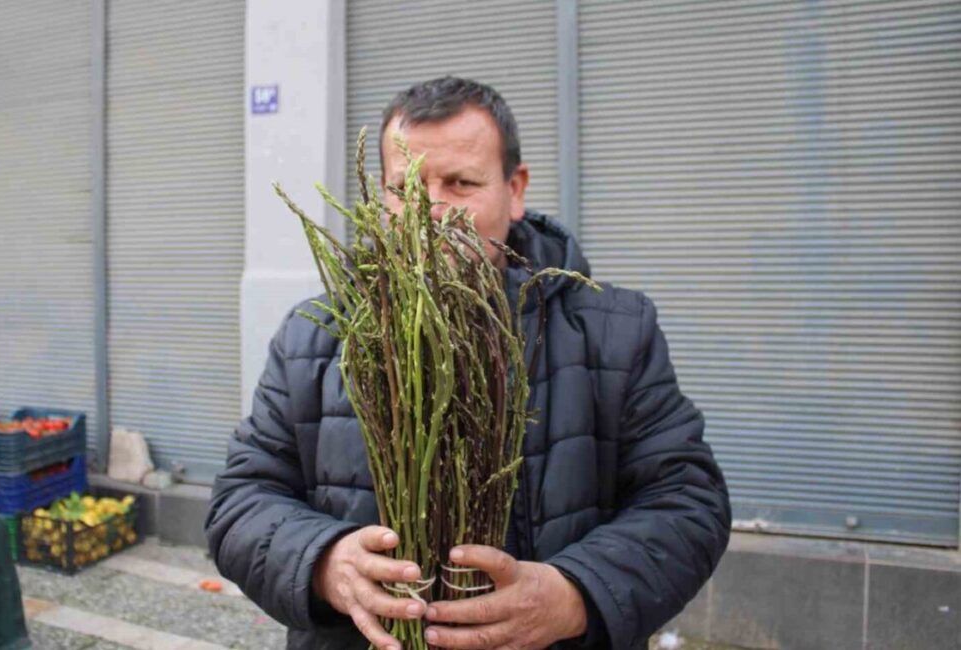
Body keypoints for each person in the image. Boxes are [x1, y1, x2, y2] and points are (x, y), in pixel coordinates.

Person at [207, 76, 731, 650]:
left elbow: (688, 501)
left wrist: (574, 593)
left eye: (460, 183)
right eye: (406, 188)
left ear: (516, 187)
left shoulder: (616, 331)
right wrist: (322, 562)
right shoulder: (314, 334)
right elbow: (241, 500)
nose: (430, 214)